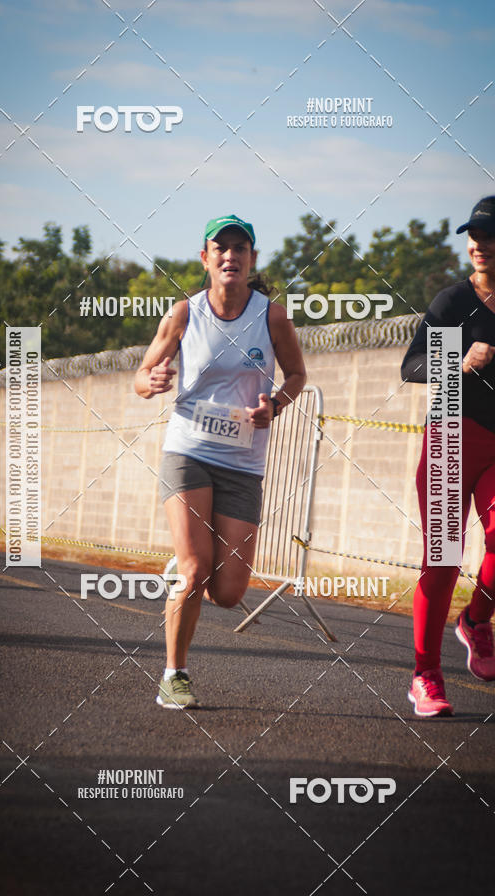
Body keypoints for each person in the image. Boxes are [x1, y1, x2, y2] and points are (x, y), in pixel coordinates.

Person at [135, 214, 306, 708]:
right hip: (188, 449)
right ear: (205, 258)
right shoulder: (183, 314)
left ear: (252, 260)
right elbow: (141, 375)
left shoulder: (271, 316)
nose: (230, 255)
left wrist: (273, 405)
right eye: (221, 247)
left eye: (240, 248)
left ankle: (193, 565)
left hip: (243, 462)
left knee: (228, 592)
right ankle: (174, 674)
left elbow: (295, 373)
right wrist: (153, 383)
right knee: (193, 571)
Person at [401, 195, 495, 717]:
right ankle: (425, 677)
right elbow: (412, 366)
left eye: (490, 236)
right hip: (449, 439)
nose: (478, 245)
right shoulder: (453, 302)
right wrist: (457, 359)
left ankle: (477, 620)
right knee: (442, 562)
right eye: (472, 236)